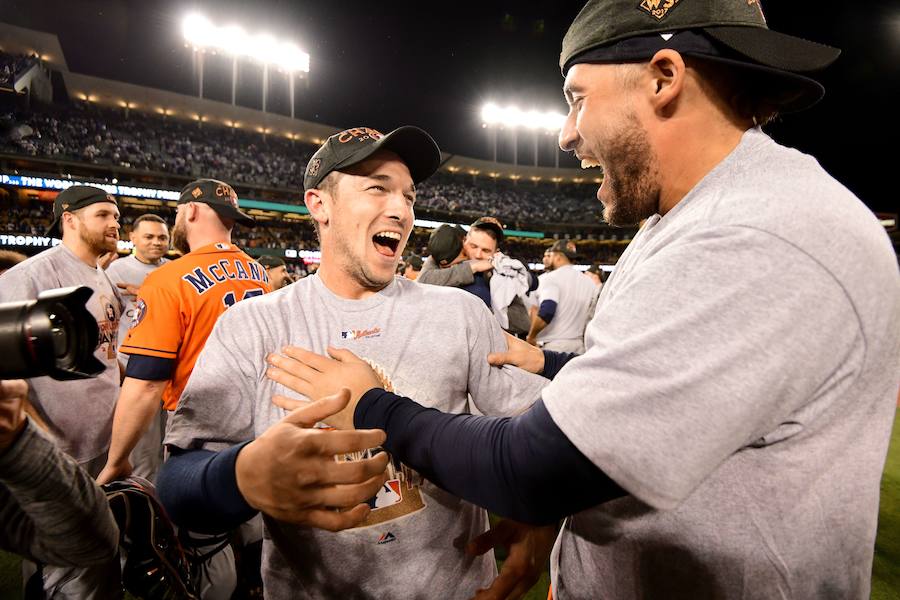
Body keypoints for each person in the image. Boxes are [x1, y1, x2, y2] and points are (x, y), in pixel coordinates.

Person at [256, 3, 900, 599]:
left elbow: (537, 467)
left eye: (577, 98)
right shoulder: (690, 218)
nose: (567, 134)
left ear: (663, 76)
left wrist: (374, 404)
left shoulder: (758, 230)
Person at [157, 126, 553, 599]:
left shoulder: (459, 312)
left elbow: (543, 433)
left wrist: (542, 514)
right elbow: (178, 483)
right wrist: (239, 476)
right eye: (377, 188)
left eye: (408, 196)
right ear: (319, 205)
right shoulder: (251, 326)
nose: (402, 210)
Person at [0, 185, 124, 598]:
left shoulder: (99, 272)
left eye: (116, 215)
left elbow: (105, 355)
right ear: (69, 219)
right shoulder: (31, 275)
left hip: (99, 443)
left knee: (95, 563)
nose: (114, 222)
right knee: (61, 574)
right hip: (56, 451)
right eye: (103, 215)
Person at [1, 379, 119, 569]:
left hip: (94, 442)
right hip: (60, 448)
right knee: (58, 576)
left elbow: (93, 543)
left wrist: (17, 441)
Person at [105, 214, 171, 481]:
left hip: (168, 369)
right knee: (141, 453)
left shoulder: (174, 270)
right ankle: (146, 513)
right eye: (149, 236)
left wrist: (148, 293)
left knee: (167, 447)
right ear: (132, 238)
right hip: (132, 370)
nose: (157, 242)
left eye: (162, 237)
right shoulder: (116, 271)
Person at [527, 239, 596, 352]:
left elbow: (547, 311)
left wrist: (531, 335)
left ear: (558, 257)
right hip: (579, 346)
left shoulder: (549, 278)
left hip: (554, 346)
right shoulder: (589, 282)